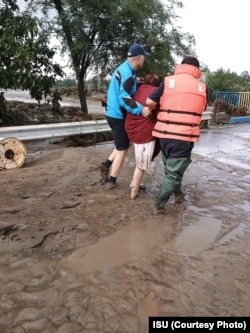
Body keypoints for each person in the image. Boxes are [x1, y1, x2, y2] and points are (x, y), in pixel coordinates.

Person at [146, 56, 207, 215]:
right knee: (173, 174)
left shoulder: (167, 82)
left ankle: (178, 195)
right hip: (184, 137)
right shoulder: (202, 87)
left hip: (164, 135)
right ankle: (159, 206)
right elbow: (203, 107)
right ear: (197, 69)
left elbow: (149, 102)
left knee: (170, 169)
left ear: (181, 66)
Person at [99, 44, 151, 190]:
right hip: (118, 115)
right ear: (139, 57)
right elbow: (124, 97)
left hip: (113, 113)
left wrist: (137, 81)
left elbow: (126, 86)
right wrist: (141, 110)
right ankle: (111, 181)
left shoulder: (127, 69)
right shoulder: (128, 73)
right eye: (144, 57)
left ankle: (106, 164)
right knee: (123, 148)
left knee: (125, 142)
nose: (144, 60)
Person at [125, 73, 163, 199]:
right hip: (143, 133)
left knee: (139, 160)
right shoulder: (156, 93)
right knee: (141, 166)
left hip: (131, 129)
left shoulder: (138, 89)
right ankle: (133, 194)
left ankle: (134, 185)